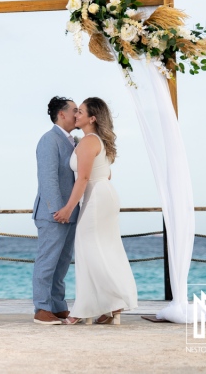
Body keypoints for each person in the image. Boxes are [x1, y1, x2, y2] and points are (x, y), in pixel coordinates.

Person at [53, 97, 138, 325]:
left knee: (88, 248)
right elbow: (106, 174)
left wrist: (68, 208)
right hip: (103, 193)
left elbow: (83, 178)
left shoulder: (89, 141)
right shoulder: (97, 140)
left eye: (80, 112)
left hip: (97, 197)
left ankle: (85, 310)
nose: (75, 115)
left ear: (92, 118)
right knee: (104, 249)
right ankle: (111, 307)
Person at [32, 96, 80, 325]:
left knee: (62, 263)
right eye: (74, 110)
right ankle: (42, 309)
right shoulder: (49, 140)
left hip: (70, 212)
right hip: (54, 214)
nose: (77, 114)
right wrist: (58, 210)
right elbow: (48, 178)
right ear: (61, 114)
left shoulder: (74, 141)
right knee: (47, 261)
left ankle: (58, 306)